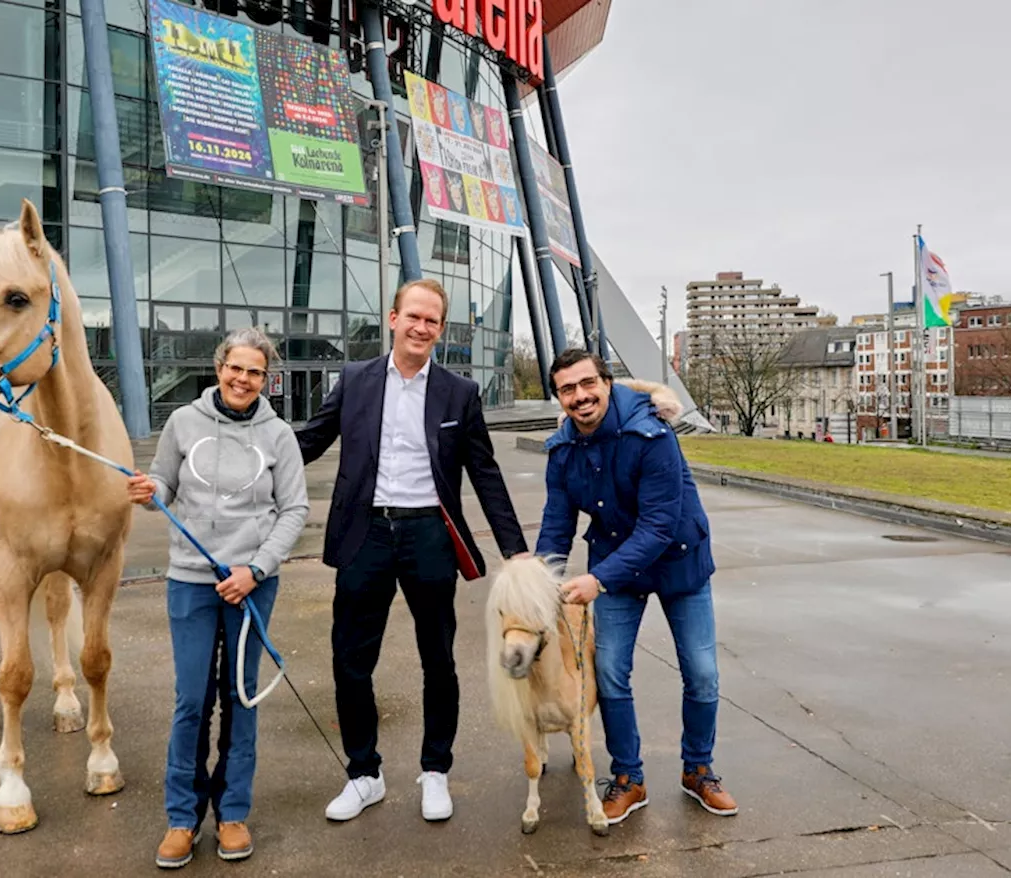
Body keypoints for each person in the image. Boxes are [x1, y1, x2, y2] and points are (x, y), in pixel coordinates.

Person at [295, 278, 528, 824]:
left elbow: (485, 474)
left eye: (433, 321)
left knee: (438, 660)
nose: (422, 327)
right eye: (414, 317)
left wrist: (516, 552)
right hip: (364, 534)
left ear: (440, 330)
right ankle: (364, 774)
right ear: (393, 318)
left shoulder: (458, 393)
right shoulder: (354, 380)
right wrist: (239, 454)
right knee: (351, 661)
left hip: (428, 534)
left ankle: (435, 770)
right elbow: (308, 441)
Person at [126, 328, 309, 869]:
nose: (243, 379)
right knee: (191, 700)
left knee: (239, 695)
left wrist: (255, 569)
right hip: (191, 581)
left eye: (255, 372)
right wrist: (148, 493)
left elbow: (294, 510)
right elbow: (164, 483)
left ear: (266, 378)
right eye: (236, 368)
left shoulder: (279, 435)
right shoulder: (183, 423)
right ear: (219, 367)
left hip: (251, 583)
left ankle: (232, 813)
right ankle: (182, 818)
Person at [534, 348, 737, 826]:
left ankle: (699, 770)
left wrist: (598, 579)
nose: (580, 397)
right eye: (567, 389)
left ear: (606, 383)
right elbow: (556, 525)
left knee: (702, 672)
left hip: (678, 561)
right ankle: (628, 778)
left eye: (588, 384)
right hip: (614, 566)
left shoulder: (650, 432)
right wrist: (540, 582)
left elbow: (660, 525)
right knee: (608, 672)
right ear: (558, 397)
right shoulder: (562, 451)